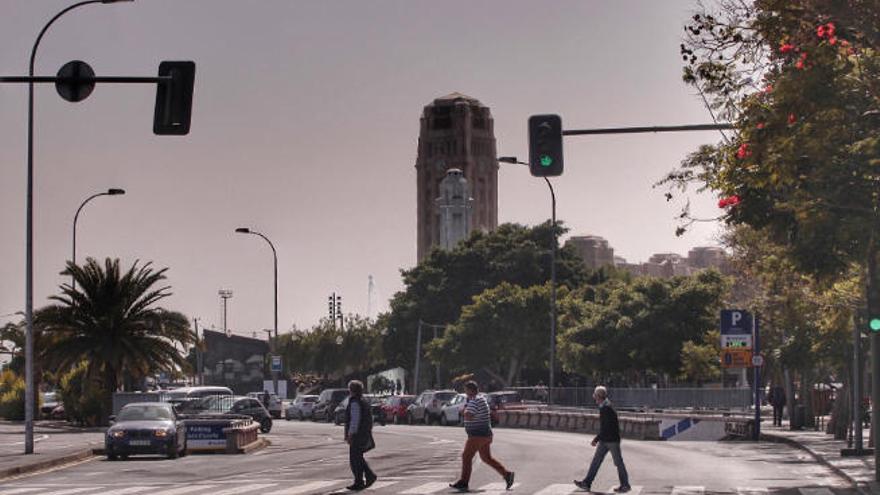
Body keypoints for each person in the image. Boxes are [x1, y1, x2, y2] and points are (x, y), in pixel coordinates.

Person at [449, 380, 515, 493]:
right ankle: (507, 474)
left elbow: (469, 416)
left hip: (477, 435)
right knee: (486, 458)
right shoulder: (481, 399)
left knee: (466, 456)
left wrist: (463, 411)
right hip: (486, 435)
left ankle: (464, 482)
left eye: (465, 390)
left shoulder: (475, 401)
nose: (465, 392)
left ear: (470, 390)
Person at [574, 386, 630, 493]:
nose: (594, 398)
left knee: (618, 463)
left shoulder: (606, 408)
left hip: (611, 440)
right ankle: (587, 483)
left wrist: (596, 438)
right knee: (596, 462)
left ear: (599, 396)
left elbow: (606, 427)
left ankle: (625, 485)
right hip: (606, 439)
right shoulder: (605, 406)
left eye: (595, 396)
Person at [344, 380, 377, 491]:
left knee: (355, 459)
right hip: (363, 433)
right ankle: (369, 476)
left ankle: (359, 481)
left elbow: (355, 419)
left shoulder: (354, 402)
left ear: (351, 390)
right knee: (358, 457)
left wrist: (350, 434)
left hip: (357, 435)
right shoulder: (363, 401)